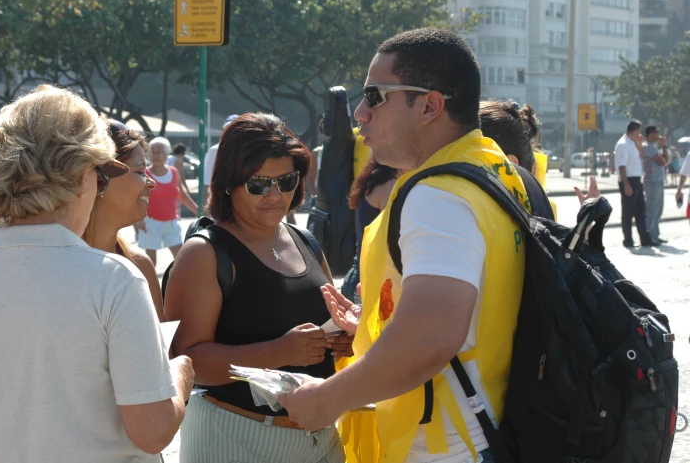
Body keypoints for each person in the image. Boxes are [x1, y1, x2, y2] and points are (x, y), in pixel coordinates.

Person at [279, 27, 532, 463]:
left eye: (375, 96)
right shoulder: (501, 173)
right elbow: (474, 310)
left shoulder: (438, 196)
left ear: (431, 105)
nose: (360, 113)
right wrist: (375, 330)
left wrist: (324, 400)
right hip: (495, 433)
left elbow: (430, 337)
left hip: (446, 448)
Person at [0, 85, 193, 461]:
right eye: (100, 177)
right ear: (83, 176)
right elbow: (152, 431)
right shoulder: (114, 279)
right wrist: (179, 375)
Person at [165, 112, 351, 463]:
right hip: (234, 435)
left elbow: (325, 333)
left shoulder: (306, 240)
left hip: (319, 436)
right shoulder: (204, 252)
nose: (275, 194)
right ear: (228, 183)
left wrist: (342, 341)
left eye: (287, 180)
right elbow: (185, 361)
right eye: (258, 184)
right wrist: (278, 352)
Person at [83, 119, 165, 321]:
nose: (151, 183)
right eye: (139, 171)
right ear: (98, 178)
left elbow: (164, 352)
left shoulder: (141, 265)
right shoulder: (56, 266)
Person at [341, 157, 397, 304]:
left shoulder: (373, 182)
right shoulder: (389, 186)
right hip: (367, 280)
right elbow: (391, 237)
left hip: (356, 276)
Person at [136, 136, 198, 265]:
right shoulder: (144, 173)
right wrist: (138, 220)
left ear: (166, 154)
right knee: (151, 261)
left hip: (171, 222)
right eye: (153, 152)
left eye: (160, 152)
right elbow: (135, 197)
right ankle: (152, 285)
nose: (156, 155)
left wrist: (198, 211)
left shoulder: (174, 172)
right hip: (151, 223)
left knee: (181, 257)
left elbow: (182, 195)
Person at [615, 120, 658, 248]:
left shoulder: (632, 143)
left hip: (636, 180)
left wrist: (639, 145)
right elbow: (622, 166)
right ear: (633, 130)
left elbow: (636, 159)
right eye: (638, 130)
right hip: (628, 180)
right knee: (628, 212)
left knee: (640, 211)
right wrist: (626, 184)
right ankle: (628, 240)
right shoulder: (623, 144)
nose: (640, 133)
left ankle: (644, 239)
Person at [203, 114, 240, 206]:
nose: (232, 132)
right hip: (221, 207)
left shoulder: (249, 152)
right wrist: (207, 216)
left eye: (236, 128)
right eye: (228, 128)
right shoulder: (214, 151)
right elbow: (207, 184)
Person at [641, 125, 669, 244]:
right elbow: (662, 162)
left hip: (658, 180)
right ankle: (649, 236)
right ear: (651, 134)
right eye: (657, 133)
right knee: (651, 209)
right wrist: (662, 148)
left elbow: (665, 160)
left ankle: (655, 235)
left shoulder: (654, 147)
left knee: (658, 209)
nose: (658, 135)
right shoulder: (647, 147)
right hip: (652, 181)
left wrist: (664, 146)